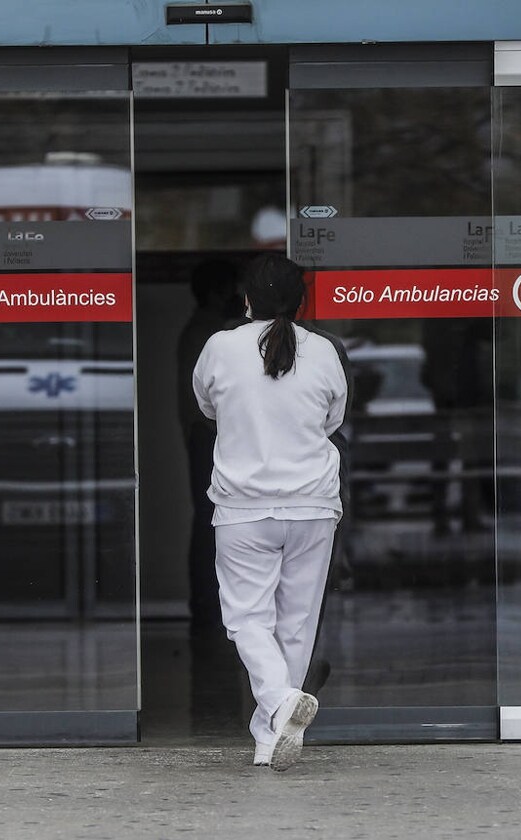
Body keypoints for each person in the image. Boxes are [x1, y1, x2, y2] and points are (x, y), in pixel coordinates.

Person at [192, 253, 347, 771]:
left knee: (246, 619)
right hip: (311, 505)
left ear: (247, 300)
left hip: (244, 508)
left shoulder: (220, 346)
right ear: (301, 303)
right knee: (297, 623)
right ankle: (269, 734)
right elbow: (332, 420)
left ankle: (279, 705)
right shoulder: (323, 351)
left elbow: (207, 406)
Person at [177, 259, 241, 630]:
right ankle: (206, 605)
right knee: (210, 521)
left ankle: (207, 605)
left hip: (206, 436)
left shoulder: (204, 331)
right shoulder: (209, 334)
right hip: (208, 437)